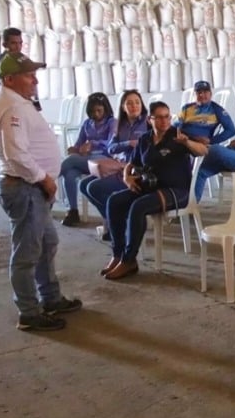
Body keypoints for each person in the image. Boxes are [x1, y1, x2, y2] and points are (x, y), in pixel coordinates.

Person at [0, 53, 82, 331]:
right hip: (26, 187)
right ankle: (29, 312)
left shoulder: (17, 102)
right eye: (28, 74)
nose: (35, 79)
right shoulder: (13, 108)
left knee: (46, 244)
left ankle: (50, 297)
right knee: (27, 253)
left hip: (32, 187)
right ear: (9, 79)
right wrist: (44, 179)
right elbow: (16, 154)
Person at [101, 102, 207, 280]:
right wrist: (127, 177)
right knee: (114, 201)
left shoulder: (178, 135)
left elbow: (203, 150)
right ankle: (118, 254)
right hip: (150, 186)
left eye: (167, 116)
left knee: (138, 207)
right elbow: (131, 163)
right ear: (150, 119)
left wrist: (187, 143)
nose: (164, 121)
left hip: (176, 191)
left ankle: (129, 260)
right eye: (158, 117)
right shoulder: (145, 139)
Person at [81, 90, 150, 233]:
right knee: (83, 184)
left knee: (94, 187)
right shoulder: (120, 125)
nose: (134, 106)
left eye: (137, 102)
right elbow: (111, 148)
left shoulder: (148, 123)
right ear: (123, 107)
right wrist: (128, 143)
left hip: (136, 171)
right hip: (120, 167)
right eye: (129, 103)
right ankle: (116, 222)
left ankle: (115, 224)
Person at [58, 92, 116, 226]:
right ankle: (72, 210)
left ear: (105, 108)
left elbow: (111, 144)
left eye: (99, 110)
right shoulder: (87, 124)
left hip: (104, 158)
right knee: (70, 173)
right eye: (92, 111)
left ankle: (49, 178)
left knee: (71, 161)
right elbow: (80, 143)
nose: (96, 114)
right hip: (87, 158)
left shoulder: (112, 122)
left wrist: (93, 144)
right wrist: (76, 149)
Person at [176, 80, 235, 145]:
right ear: (194, 95)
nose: (202, 95)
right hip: (182, 140)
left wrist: (211, 141)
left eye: (205, 92)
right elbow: (176, 125)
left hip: (199, 145)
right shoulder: (186, 108)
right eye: (199, 92)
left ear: (210, 94)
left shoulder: (217, 109)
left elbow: (231, 130)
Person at [0, 27, 23, 99]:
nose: (18, 47)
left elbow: (32, 89)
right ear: (4, 44)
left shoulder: (24, 61)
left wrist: (36, 107)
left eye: (20, 43)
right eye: (14, 43)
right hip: (7, 105)